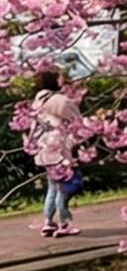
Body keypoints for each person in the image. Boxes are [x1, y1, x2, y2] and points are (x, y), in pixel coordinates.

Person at [23, 72, 81, 237]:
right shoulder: (59, 101)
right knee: (64, 187)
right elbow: (77, 123)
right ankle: (63, 223)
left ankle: (48, 222)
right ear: (53, 81)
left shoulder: (37, 102)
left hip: (45, 150)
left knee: (52, 186)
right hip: (61, 150)